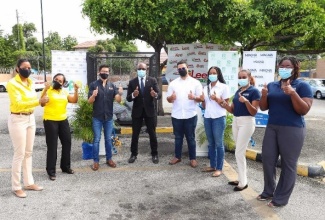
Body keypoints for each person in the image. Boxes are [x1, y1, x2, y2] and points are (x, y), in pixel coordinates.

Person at [258, 56, 313, 207]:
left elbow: (304, 110)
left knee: (288, 165)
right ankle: (269, 190)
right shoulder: (272, 85)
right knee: (268, 159)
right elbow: (263, 108)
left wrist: (293, 93)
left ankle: (281, 198)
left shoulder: (302, 86)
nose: (284, 68)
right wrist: (263, 95)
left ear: (295, 68)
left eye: (288, 66)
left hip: (292, 128)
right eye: (282, 66)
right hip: (272, 127)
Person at [7, 58, 49, 198]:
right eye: (25, 67)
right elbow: (18, 103)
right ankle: (16, 186)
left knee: (28, 152)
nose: (28, 69)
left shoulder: (30, 83)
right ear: (17, 69)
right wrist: (38, 101)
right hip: (18, 118)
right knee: (19, 154)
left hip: (30, 118)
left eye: (29, 67)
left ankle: (29, 182)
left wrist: (45, 92)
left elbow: (35, 100)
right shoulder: (12, 84)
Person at [222, 69, 261, 191]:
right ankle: (241, 178)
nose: (241, 79)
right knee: (239, 151)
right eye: (239, 77)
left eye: (244, 76)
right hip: (236, 121)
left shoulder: (254, 91)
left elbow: (254, 112)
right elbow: (232, 110)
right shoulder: (238, 91)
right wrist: (224, 105)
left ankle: (243, 182)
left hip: (247, 122)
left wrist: (246, 102)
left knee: (239, 152)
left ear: (249, 78)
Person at [41, 73, 79, 181]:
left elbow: (74, 100)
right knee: (52, 146)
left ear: (63, 83)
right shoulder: (48, 90)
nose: (57, 81)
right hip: (50, 120)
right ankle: (51, 171)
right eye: (56, 79)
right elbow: (42, 104)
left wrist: (76, 90)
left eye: (60, 81)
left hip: (63, 120)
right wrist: (45, 89)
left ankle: (65, 167)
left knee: (67, 142)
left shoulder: (64, 92)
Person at [167, 60, 203, 168]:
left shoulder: (195, 83)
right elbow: (168, 99)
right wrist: (171, 98)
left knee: (190, 138)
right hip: (177, 115)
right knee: (178, 137)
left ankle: (193, 159)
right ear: (177, 70)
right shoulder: (173, 84)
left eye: (183, 68)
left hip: (190, 115)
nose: (181, 70)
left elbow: (201, 98)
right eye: (179, 69)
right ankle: (177, 157)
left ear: (188, 68)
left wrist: (194, 97)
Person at [88, 64, 122, 171]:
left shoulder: (112, 85)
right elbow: (89, 102)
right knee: (96, 140)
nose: (105, 73)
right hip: (97, 117)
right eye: (103, 71)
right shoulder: (94, 85)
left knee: (108, 139)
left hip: (108, 117)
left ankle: (109, 159)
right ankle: (96, 162)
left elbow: (118, 100)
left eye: (107, 72)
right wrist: (93, 95)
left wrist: (120, 94)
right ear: (99, 72)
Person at [126, 62, 161, 164]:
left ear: (146, 70)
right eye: (139, 69)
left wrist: (154, 94)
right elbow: (128, 98)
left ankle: (154, 154)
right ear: (137, 70)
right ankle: (133, 154)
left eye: (143, 69)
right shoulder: (132, 82)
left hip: (150, 111)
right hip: (137, 112)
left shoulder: (152, 80)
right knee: (135, 134)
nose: (141, 70)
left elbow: (159, 95)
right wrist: (133, 94)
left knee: (152, 134)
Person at [201, 66, 230, 177]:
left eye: (214, 73)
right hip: (208, 117)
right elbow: (204, 106)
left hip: (219, 118)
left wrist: (217, 99)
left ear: (218, 74)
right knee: (211, 143)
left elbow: (226, 105)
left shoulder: (224, 87)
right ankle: (212, 165)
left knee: (219, 144)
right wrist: (202, 99)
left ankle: (219, 168)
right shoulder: (206, 88)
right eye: (210, 73)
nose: (212, 75)